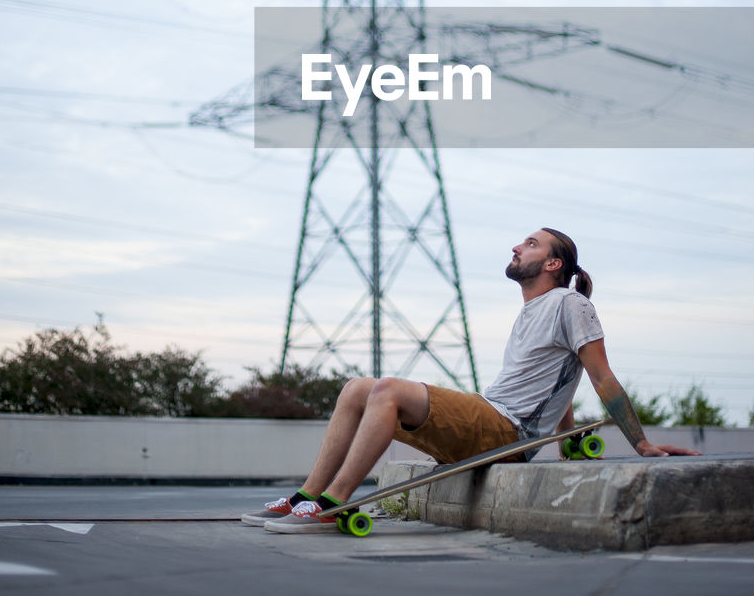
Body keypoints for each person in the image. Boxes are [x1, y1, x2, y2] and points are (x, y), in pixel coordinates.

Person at [242, 226, 699, 533]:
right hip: (491, 421)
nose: (517, 249)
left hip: (503, 430)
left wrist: (640, 444)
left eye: (530, 245)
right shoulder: (532, 312)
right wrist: (565, 434)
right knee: (357, 388)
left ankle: (332, 505)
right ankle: (307, 494)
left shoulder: (569, 304)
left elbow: (600, 375)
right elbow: (559, 380)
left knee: (386, 391)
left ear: (553, 265)